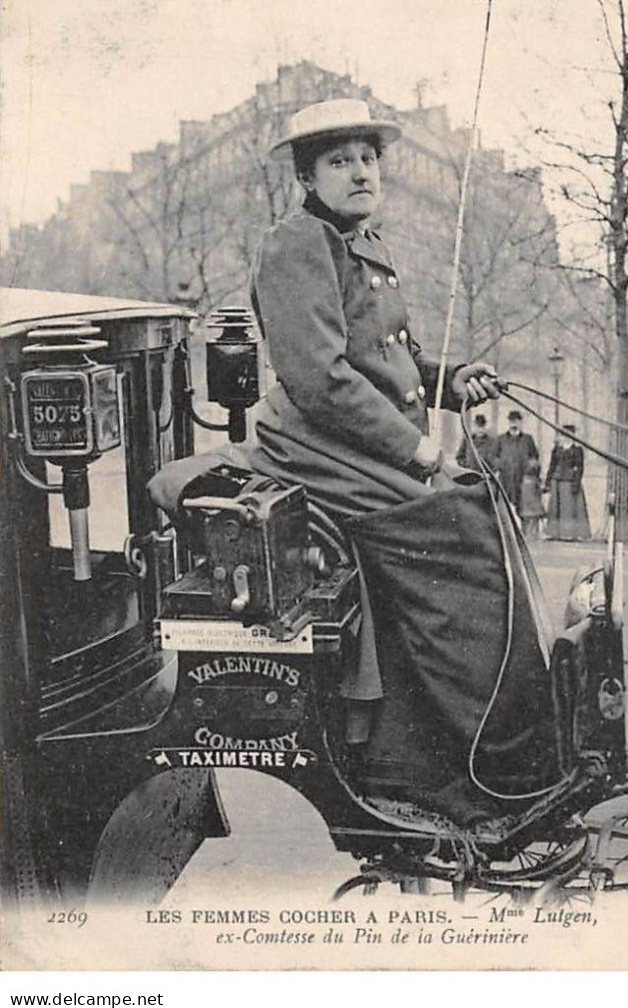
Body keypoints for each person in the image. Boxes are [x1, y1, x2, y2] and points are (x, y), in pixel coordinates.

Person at [149, 99, 557, 824]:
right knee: (460, 540)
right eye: (340, 161)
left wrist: (449, 381)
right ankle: (452, 768)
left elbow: (387, 363)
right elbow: (321, 379)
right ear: (307, 176)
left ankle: (484, 750)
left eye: (368, 158)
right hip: (314, 449)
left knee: (475, 508)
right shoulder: (298, 244)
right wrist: (420, 447)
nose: (360, 171)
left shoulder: (361, 242)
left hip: (351, 443)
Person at [544, 425, 591, 541]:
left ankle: (569, 534)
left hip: (569, 482)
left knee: (568, 509)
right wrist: (548, 482)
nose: (565, 438)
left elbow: (579, 468)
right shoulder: (557, 449)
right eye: (563, 435)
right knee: (555, 508)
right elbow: (552, 466)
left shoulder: (577, 450)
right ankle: (554, 533)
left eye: (567, 435)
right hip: (557, 481)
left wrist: (576, 483)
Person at [492, 409, 539, 517]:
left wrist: (530, 468)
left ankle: (522, 531)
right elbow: (493, 457)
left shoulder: (528, 439)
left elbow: (534, 457)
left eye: (516, 421)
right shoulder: (501, 439)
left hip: (522, 478)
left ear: (521, 423)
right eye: (512, 421)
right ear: (508, 423)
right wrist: (500, 465)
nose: (514, 424)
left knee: (523, 507)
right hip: (506, 478)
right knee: (505, 506)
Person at [519, 457, 545, 537]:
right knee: (534, 521)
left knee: (526, 520)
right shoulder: (535, 481)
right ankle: (533, 534)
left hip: (525, 506)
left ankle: (526, 533)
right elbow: (539, 491)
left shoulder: (523, 480)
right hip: (534, 506)